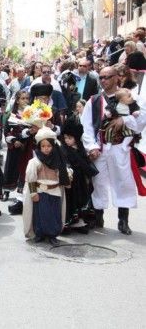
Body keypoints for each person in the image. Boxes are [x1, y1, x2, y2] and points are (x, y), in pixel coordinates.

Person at [81, 67, 146, 234]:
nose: (103, 80)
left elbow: (140, 121)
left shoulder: (129, 97)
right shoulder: (94, 100)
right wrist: (92, 147)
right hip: (101, 147)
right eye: (101, 77)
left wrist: (124, 120)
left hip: (120, 148)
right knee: (99, 182)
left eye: (107, 77)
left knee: (123, 182)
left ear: (117, 77)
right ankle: (98, 216)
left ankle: (123, 220)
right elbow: (86, 126)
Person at [22, 126, 71, 246]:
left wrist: (68, 174)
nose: (46, 149)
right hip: (40, 191)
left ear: (53, 146)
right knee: (40, 214)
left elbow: (65, 173)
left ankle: (52, 235)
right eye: (43, 146)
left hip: (55, 191)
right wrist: (33, 193)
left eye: (49, 146)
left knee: (54, 214)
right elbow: (30, 177)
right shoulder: (35, 161)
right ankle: (39, 234)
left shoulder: (58, 160)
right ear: (39, 146)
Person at [61, 120, 98, 233]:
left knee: (82, 200)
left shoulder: (80, 148)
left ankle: (80, 221)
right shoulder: (63, 149)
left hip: (81, 180)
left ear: (76, 138)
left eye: (70, 138)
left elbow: (86, 162)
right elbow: (64, 162)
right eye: (66, 138)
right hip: (71, 180)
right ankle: (70, 223)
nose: (67, 140)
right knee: (72, 201)